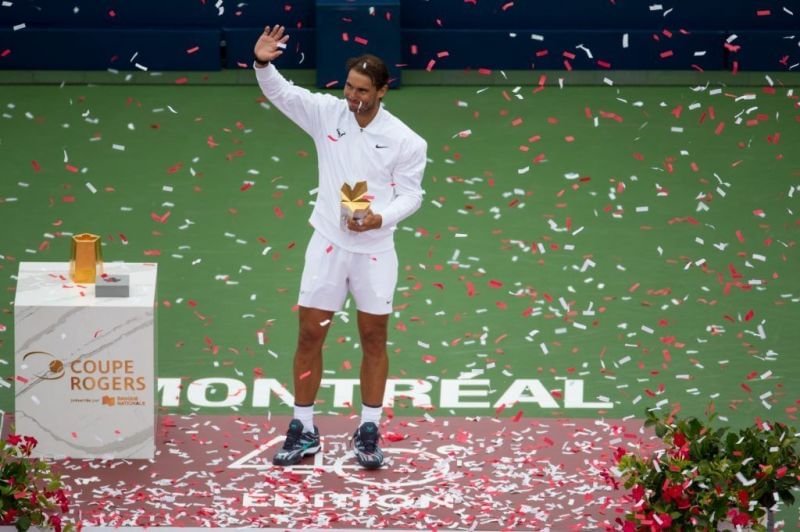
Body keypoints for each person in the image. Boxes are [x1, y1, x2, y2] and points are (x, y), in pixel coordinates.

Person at [253, 25, 427, 469]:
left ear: (383, 91)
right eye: (349, 87)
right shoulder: (327, 114)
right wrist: (263, 63)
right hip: (327, 244)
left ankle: (368, 429)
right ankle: (304, 428)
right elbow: (284, 95)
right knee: (311, 333)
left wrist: (379, 218)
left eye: (363, 90)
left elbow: (412, 195)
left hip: (374, 250)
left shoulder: (407, 141)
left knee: (373, 337)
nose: (353, 97)